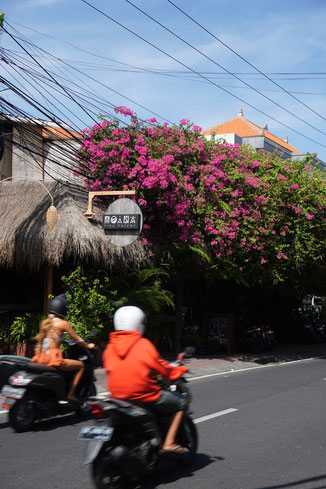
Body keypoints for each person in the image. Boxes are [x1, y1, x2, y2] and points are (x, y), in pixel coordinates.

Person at [102, 305, 188, 454]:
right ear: (139, 324)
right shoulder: (143, 345)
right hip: (144, 396)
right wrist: (180, 370)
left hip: (116, 397)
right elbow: (164, 370)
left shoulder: (109, 347)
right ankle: (168, 443)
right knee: (181, 403)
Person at [32, 294, 95, 402]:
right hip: (53, 358)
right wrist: (88, 346)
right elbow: (77, 339)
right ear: (62, 309)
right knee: (81, 366)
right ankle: (70, 394)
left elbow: (41, 341)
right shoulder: (63, 323)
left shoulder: (44, 323)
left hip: (41, 356)